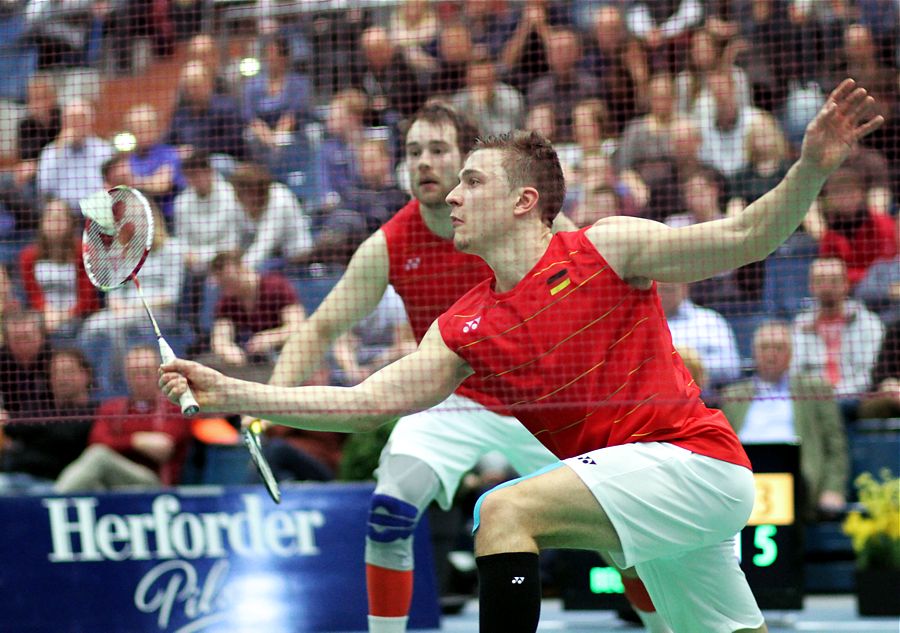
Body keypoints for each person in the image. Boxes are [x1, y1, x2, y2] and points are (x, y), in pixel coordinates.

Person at [163, 79, 881, 632]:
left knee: (502, 509)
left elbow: (746, 235)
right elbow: (365, 402)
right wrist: (236, 391)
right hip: (648, 496)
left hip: (694, 462)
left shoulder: (607, 246)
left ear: (523, 201)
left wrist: (810, 170)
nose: (454, 192)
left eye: (473, 179)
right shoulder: (466, 323)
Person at [200, 102, 668, 633]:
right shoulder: (390, 244)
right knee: (389, 511)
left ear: (470, 164)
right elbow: (319, 329)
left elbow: (588, 280)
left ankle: (662, 628)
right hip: (449, 399)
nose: (423, 162)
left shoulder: (528, 221)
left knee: (619, 538)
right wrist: (267, 407)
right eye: (413, 151)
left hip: (540, 399)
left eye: (438, 150)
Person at [719, 321, 848, 520]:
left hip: (798, 480)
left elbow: (835, 446)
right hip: (745, 476)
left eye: (779, 347)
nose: (771, 354)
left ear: (790, 353)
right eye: (765, 347)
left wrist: (833, 489)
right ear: (754, 353)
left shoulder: (815, 389)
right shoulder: (733, 394)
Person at [58, 345, 191, 492]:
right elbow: (97, 441)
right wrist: (136, 441)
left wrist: (118, 441)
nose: (140, 379)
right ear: (126, 375)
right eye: (134, 373)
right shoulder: (112, 408)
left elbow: (163, 448)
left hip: (154, 484)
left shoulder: (173, 407)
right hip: (113, 480)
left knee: (99, 457)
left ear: (159, 373)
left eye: (146, 373)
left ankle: (54, 499)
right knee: (92, 479)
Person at [790, 257, 885, 405]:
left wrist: (839, 394)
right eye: (820, 281)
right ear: (811, 286)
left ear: (846, 284)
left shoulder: (869, 324)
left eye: (834, 281)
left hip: (856, 398)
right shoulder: (800, 325)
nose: (827, 287)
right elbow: (795, 371)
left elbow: (871, 373)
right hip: (813, 401)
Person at [0, 348, 96, 490]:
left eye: (68, 372)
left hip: (55, 485)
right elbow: (11, 427)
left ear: (86, 375)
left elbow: (66, 435)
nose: (62, 378)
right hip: (12, 477)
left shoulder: (95, 411)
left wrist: (21, 427)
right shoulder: (38, 409)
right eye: (55, 373)